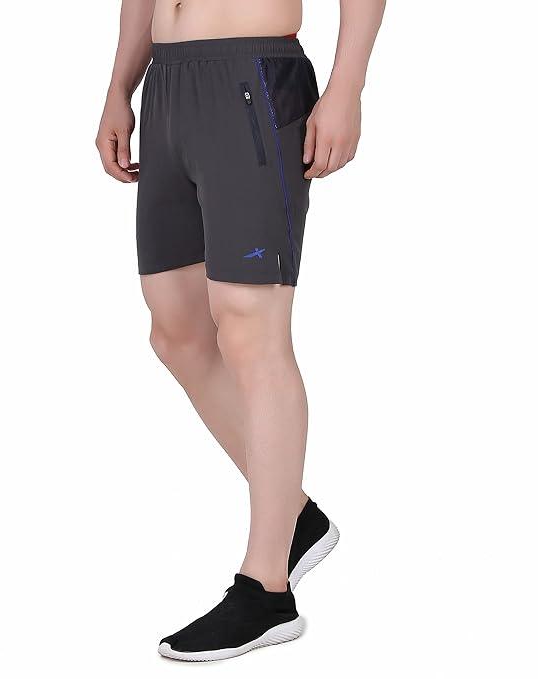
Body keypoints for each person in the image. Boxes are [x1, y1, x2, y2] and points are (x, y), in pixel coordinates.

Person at [96, 0, 384, 662]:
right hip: (168, 83)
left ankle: (266, 591)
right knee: (175, 330)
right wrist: (119, 87)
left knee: (251, 329)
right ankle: (295, 516)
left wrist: (346, 88)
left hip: (251, 73)